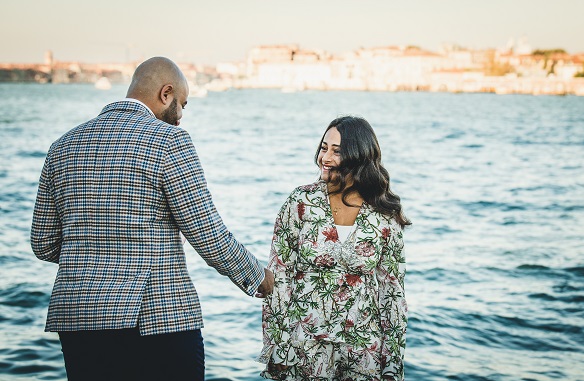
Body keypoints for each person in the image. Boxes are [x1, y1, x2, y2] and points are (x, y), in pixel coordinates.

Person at [30, 56, 274, 381]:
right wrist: (259, 277)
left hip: (78, 318)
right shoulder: (168, 141)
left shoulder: (62, 146)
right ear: (166, 93)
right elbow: (207, 233)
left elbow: (43, 244)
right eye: (182, 105)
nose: (182, 116)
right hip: (154, 321)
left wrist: (93, 256)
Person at [258, 116, 410, 380]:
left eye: (336, 151)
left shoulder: (384, 213)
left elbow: (393, 292)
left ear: (358, 156)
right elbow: (280, 276)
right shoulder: (301, 202)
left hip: (365, 350)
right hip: (304, 345)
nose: (324, 157)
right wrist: (277, 344)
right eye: (323, 147)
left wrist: (393, 360)